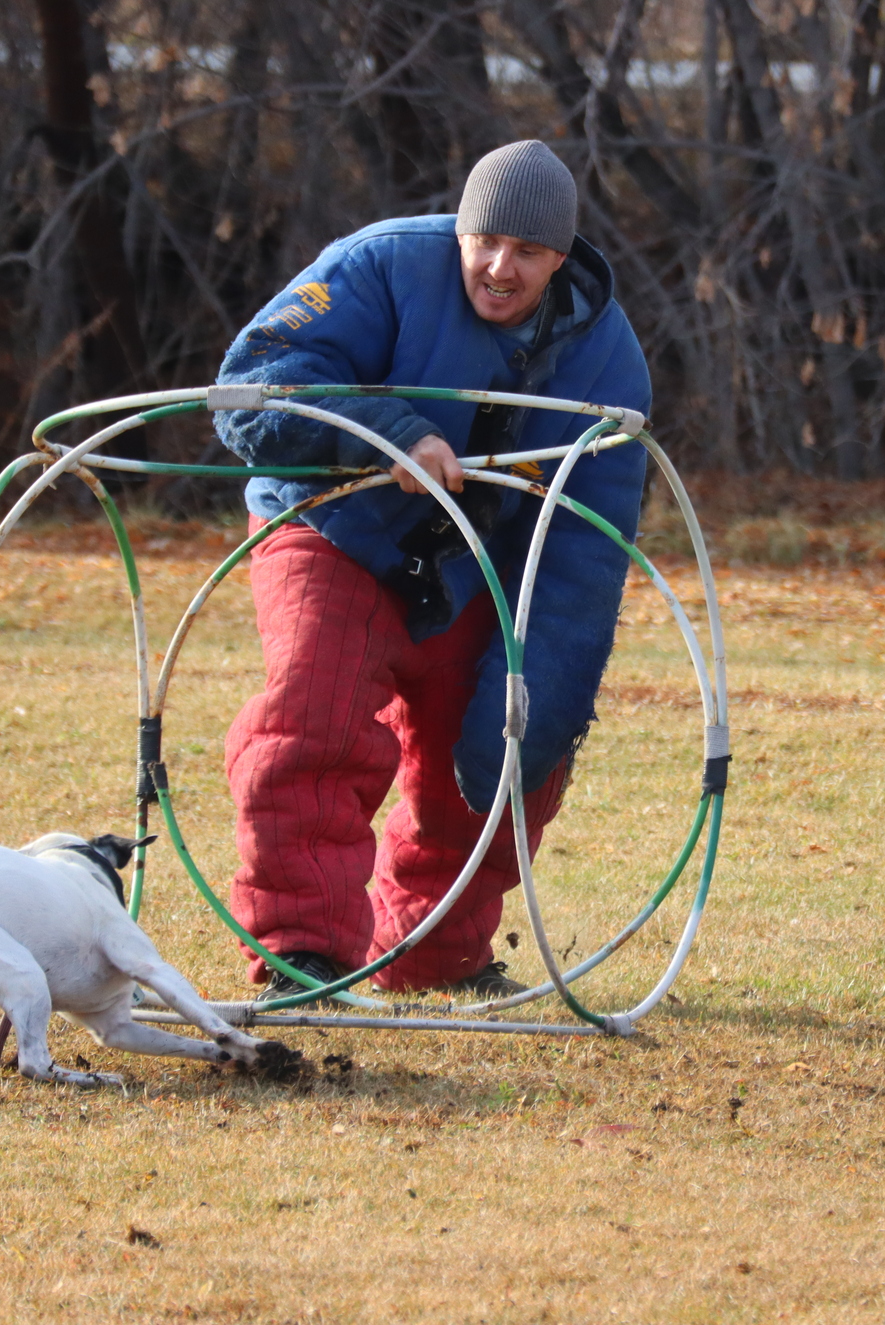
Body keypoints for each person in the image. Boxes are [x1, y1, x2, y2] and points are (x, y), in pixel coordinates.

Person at [210, 141, 651, 1000]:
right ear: (459, 229)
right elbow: (251, 388)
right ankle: (303, 951)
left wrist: (537, 710)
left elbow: (583, 550)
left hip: (467, 561)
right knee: (313, 718)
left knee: (503, 742)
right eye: (483, 240)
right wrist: (384, 430)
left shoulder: (606, 359)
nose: (497, 266)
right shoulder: (380, 266)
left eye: (525, 253)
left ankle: (432, 949)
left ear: (560, 259)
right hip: (331, 522)